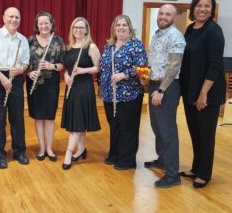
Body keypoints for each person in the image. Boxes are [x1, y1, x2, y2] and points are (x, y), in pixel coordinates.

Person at [179, 0, 226, 188]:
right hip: (191, 90)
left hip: (208, 93)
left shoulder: (214, 31)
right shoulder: (190, 29)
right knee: (195, 133)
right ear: (193, 8)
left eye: (207, 6)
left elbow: (215, 65)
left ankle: (204, 174)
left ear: (212, 9)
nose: (203, 9)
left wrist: (203, 93)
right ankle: (196, 167)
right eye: (199, 5)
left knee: (206, 135)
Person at [0, 7, 30, 169]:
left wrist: (21, 70)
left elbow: (26, 63)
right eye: (11, 17)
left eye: (17, 17)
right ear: (3, 18)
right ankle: (0, 155)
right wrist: (2, 78)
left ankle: (19, 152)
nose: (14, 20)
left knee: (17, 119)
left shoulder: (22, 39)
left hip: (15, 79)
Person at [99, 14, 147, 170]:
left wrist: (124, 74)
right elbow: (103, 67)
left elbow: (143, 68)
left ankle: (127, 160)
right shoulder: (109, 46)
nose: (121, 28)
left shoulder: (136, 45)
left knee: (128, 127)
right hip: (109, 94)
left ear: (129, 28)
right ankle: (115, 154)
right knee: (114, 125)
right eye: (118, 25)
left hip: (130, 94)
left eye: (124, 25)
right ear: (114, 28)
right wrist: (101, 85)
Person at [145, 4, 186, 188]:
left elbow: (174, 66)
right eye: (161, 13)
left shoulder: (176, 36)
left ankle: (172, 174)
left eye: (167, 14)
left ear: (174, 16)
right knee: (157, 127)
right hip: (154, 84)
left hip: (167, 88)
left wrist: (161, 90)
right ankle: (162, 160)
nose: (162, 16)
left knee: (168, 131)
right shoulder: (157, 34)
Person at [61, 17, 101, 170]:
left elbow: (98, 67)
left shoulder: (91, 47)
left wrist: (83, 70)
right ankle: (82, 149)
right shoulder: (69, 47)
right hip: (71, 87)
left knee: (76, 124)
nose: (78, 30)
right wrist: (66, 75)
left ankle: (68, 154)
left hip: (84, 88)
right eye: (75, 27)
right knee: (80, 121)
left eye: (81, 28)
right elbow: (66, 67)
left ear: (86, 30)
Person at [26, 11, 65, 161]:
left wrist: (51, 65)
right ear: (37, 25)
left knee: (49, 117)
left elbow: (62, 64)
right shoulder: (29, 41)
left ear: (51, 24)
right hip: (34, 84)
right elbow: (24, 64)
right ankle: (41, 148)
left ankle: (49, 148)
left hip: (51, 84)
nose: (43, 26)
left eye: (46, 23)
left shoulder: (58, 41)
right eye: (40, 23)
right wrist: (29, 73)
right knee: (38, 118)